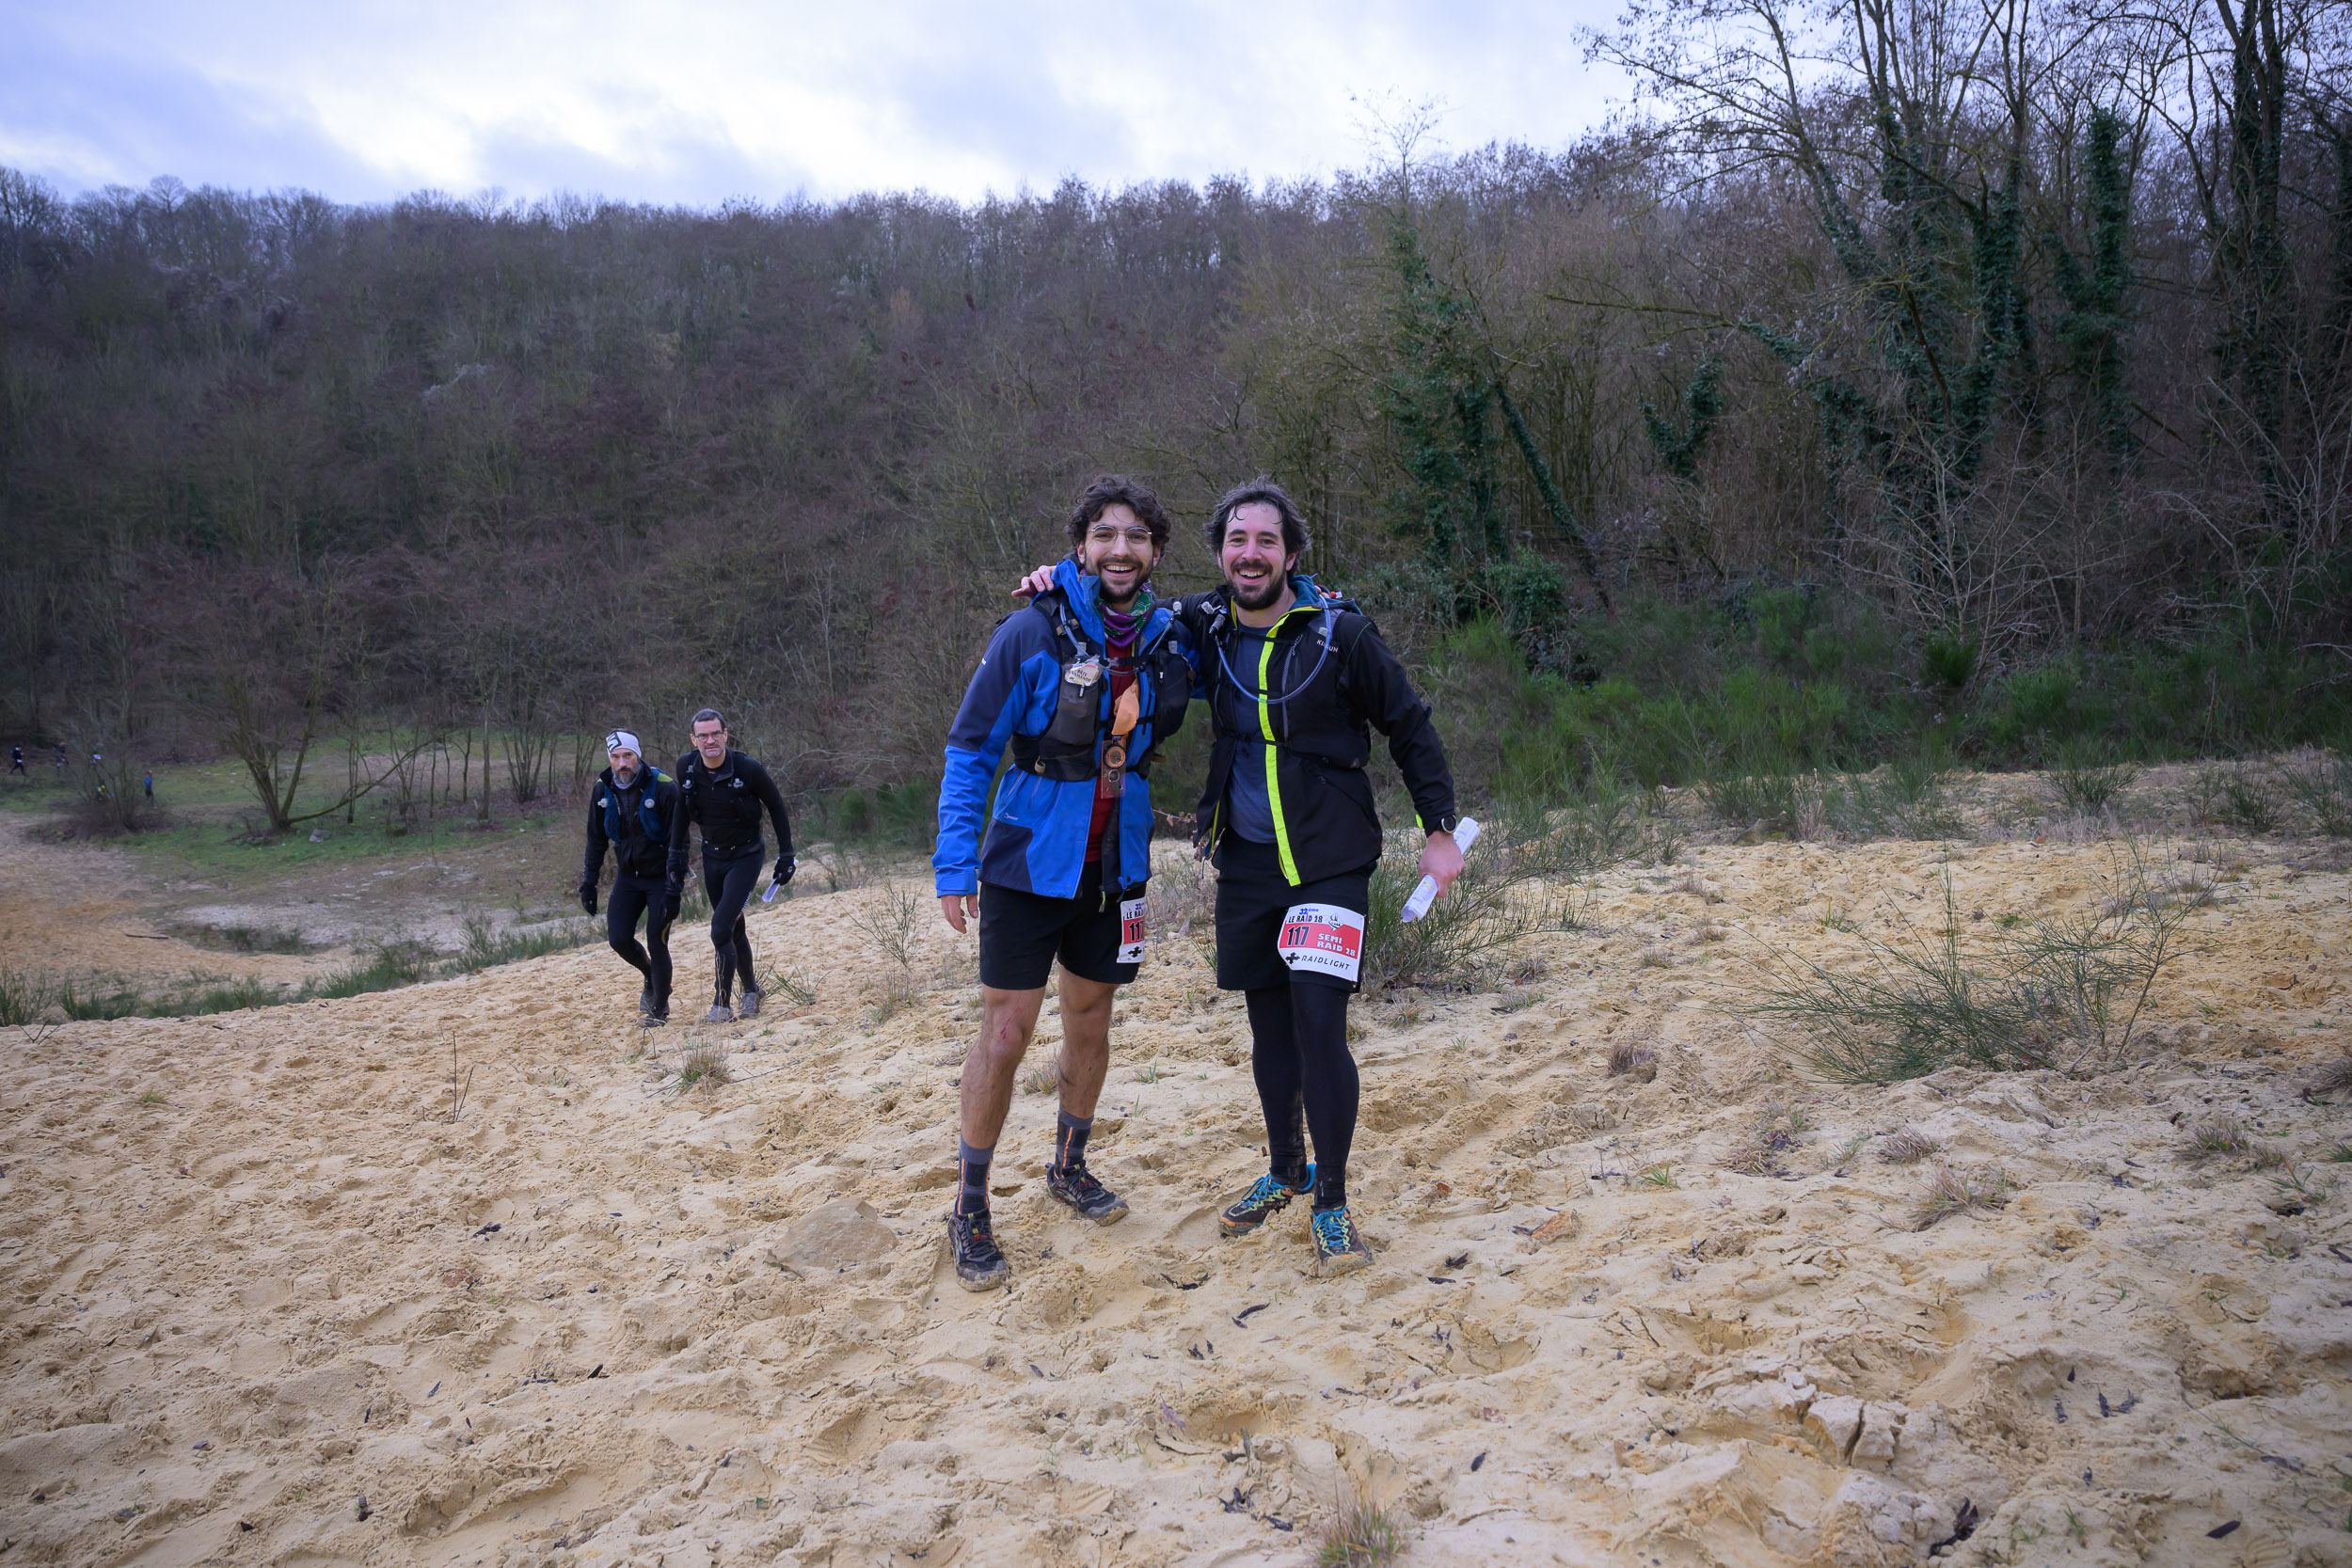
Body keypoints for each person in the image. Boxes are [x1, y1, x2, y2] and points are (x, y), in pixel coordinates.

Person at [1173, 477, 1463, 1278]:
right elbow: (1116, 607)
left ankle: (1331, 1200)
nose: (1251, 554)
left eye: (1266, 540)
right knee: (1269, 1031)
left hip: (1329, 859)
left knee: (1318, 1023)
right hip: (1247, 864)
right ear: (1221, 554)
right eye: (1237, 540)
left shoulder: (1342, 633)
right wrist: (1058, 579)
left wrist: (1438, 828)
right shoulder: (1204, 625)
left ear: (1293, 554)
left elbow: (1409, 724)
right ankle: (1286, 1169)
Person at [932, 474, 1194, 1291]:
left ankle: (1068, 1165)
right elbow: (971, 749)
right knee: (1005, 1033)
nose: (1121, 549)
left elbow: (1256, 607)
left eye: (1137, 536)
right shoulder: (1029, 630)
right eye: (1104, 535)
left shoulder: (1171, 637)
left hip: (1115, 867)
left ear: (1156, 552)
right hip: (1025, 862)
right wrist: (953, 864)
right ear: (1080, 546)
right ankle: (970, 1205)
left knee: (1090, 1020)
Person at [666, 709, 793, 1023]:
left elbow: (776, 806)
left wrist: (786, 855)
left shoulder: (747, 768)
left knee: (720, 927)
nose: (710, 741)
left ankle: (721, 1006)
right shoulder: (686, 768)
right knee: (733, 928)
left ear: (725, 734)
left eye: (715, 734)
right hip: (712, 856)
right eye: (703, 736)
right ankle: (752, 991)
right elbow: (682, 810)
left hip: (746, 856)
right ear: (693, 739)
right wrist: (676, 854)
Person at [581, 731, 681, 1026]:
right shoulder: (603, 789)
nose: (622, 763)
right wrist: (589, 883)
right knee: (619, 939)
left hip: (660, 877)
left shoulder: (664, 787)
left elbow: (679, 842)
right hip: (628, 876)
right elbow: (596, 840)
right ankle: (650, 975)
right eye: (615, 757)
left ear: (638, 755)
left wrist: (674, 886)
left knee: (657, 940)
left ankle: (659, 1010)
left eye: (628, 755)